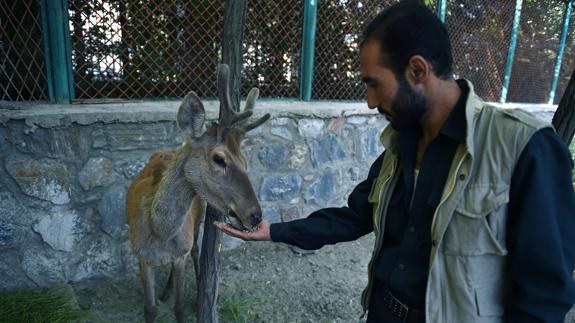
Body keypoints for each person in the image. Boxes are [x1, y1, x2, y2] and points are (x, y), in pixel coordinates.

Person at [215, 1, 575, 322]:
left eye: (374, 84)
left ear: (417, 71)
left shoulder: (524, 148)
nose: (371, 102)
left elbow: (543, 296)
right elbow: (356, 215)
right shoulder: (401, 143)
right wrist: (274, 231)